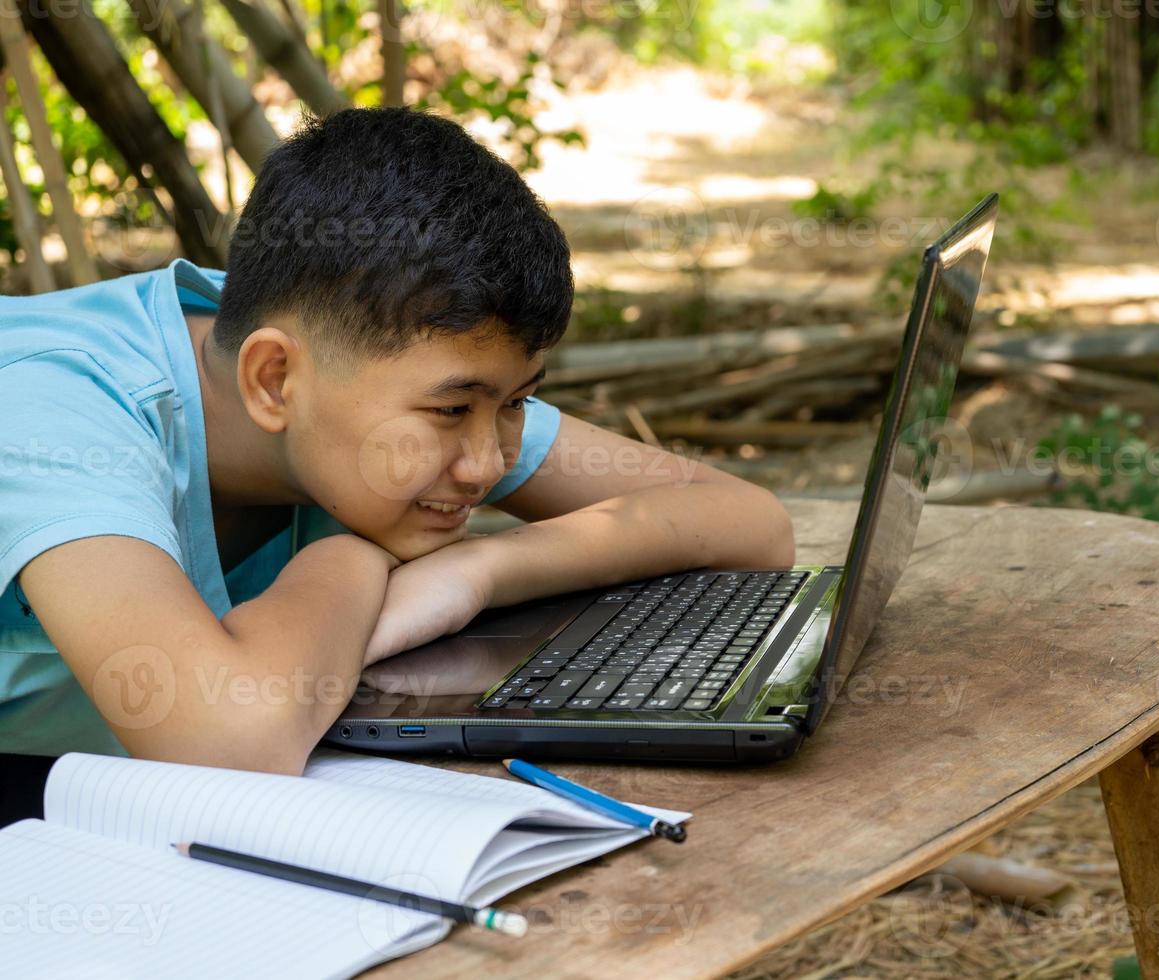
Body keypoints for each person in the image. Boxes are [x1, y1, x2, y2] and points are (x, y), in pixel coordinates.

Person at [0, 106, 794, 774]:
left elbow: (749, 524)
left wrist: (481, 568)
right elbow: (222, 736)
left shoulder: (373, 360)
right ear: (273, 379)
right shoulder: (55, 409)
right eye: (451, 414)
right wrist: (350, 557)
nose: (487, 463)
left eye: (515, 403)